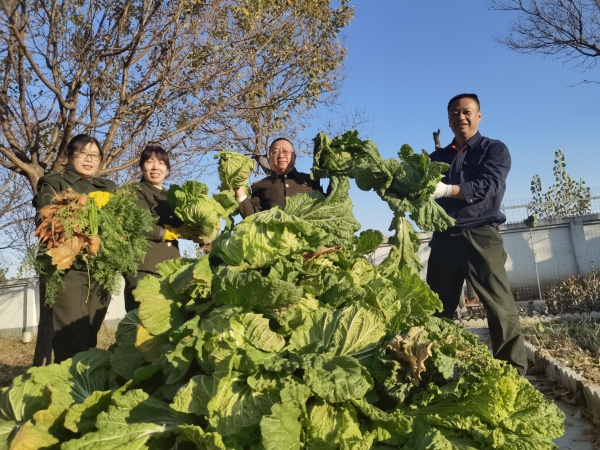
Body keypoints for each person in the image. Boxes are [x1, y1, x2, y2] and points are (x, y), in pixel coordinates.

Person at [427, 93, 528, 375]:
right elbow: (419, 191)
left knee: (500, 307)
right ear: (448, 120)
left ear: (479, 116)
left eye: (466, 111)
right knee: (435, 309)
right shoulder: (437, 158)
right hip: (445, 238)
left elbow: (489, 184)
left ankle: (513, 374)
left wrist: (447, 189)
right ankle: (434, 371)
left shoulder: (493, 149)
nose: (460, 117)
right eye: (454, 113)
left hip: (481, 234)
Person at [33, 134, 116, 363]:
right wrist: (86, 208)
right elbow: (48, 216)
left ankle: (84, 381)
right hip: (68, 268)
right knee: (71, 339)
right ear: (70, 156)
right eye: (83, 153)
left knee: (89, 335)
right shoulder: (54, 182)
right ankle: (68, 382)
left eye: (95, 156)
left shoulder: (108, 187)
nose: (89, 159)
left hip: (101, 269)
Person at [123, 145, 184, 312]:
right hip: (145, 268)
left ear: (167, 169)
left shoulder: (171, 197)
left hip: (171, 268)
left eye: (161, 163)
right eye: (150, 162)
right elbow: (138, 223)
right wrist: (164, 233)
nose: (156, 167)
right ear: (141, 166)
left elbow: (182, 226)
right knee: (143, 320)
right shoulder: (135, 191)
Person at [234, 138, 323, 217]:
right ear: (269, 159)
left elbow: (327, 204)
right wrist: (238, 186)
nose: (281, 156)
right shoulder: (260, 185)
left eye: (285, 151)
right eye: (275, 152)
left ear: (294, 157)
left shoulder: (312, 180)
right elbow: (251, 215)